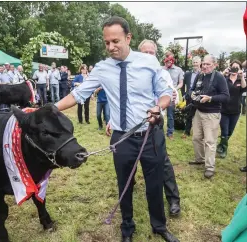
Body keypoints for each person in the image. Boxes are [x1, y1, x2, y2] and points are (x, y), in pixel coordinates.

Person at [55, 16, 178, 242]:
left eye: (115, 41)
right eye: (106, 42)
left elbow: (165, 93)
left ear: (128, 38)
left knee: (154, 183)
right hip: (122, 138)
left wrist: (158, 107)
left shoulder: (149, 63)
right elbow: (77, 95)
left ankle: (159, 226)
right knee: (125, 186)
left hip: (151, 135)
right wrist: (51, 109)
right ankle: (127, 228)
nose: (111, 47)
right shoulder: (102, 69)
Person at [138, 39, 181, 217]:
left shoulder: (162, 74)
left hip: (154, 123)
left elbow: (173, 97)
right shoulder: (130, 72)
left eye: (151, 53)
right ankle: (128, 187)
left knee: (162, 161)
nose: (148, 56)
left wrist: (167, 99)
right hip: (131, 124)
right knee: (129, 159)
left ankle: (173, 199)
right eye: (145, 53)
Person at [188, 55, 229, 179]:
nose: (204, 66)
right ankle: (200, 159)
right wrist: (191, 94)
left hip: (212, 114)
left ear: (214, 65)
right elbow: (192, 89)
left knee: (210, 141)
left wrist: (210, 98)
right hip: (199, 112)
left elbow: (226, 96)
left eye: (207, 64)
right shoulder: (200, 75)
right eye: (203, 64)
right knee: (196, 138)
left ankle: (210, 167)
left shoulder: (219, 77)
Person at [216, 60, 246, 158]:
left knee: (230, 131)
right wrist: (224, 73)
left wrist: (241, 77)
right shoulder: (225, 78)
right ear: (230, 67)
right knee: (224, 130)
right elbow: (217, 84)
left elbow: (244, 87)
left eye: (237, 68)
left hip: (235, 110)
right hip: (224, 109)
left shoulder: (240, 80)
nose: (235, 69)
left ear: (240, 69)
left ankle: (221, 145)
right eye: (233, 67)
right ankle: (224, 150)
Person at [162, 55, 184, 140]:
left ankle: (170, 133)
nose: (168, 63)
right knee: (160, 113)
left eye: (169, 61)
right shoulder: (161, 69)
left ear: (172, 61)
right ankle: (159, 131)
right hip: (162, 94)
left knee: (170, 115)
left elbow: (181, 83)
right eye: (166, 61)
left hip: (173, 94)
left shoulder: (178, 70)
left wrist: (175, 89)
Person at [182, 56, 201, 139]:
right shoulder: (187, 74)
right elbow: (183, 85)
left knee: (198, 114)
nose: (195, 64)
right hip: (189, 96)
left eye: (197, 62)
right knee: (189, 114)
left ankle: (198, 132)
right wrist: (183, 93)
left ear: (200, 63)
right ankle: (187, 131)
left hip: (199, 97)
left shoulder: (202, 74)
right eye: (194, 62)